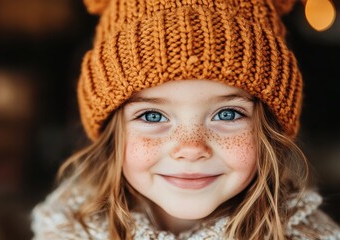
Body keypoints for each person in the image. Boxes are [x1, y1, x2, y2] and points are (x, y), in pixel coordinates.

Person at [31, 0, 340, 239]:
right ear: (114, 133)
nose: (191, 148)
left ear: (268, 131)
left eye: (227, 114)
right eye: (152, 115)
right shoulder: (67, 230)